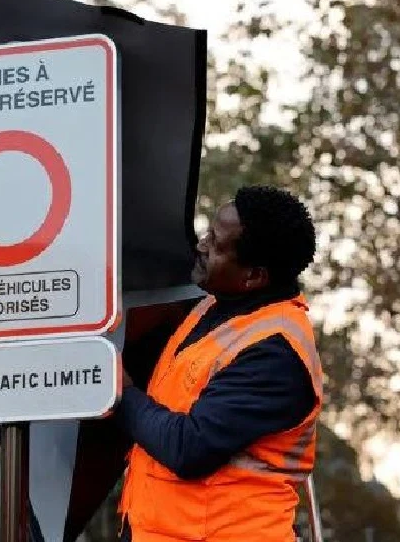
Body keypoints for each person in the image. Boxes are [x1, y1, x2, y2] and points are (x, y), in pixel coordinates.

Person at [117, 185, 322, 542]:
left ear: (254, 276)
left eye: (216, 243)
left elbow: (189, 448)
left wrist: (119, 392)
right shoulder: (214, 306)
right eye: (208, 232)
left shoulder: (276, 353)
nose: (201, 244)